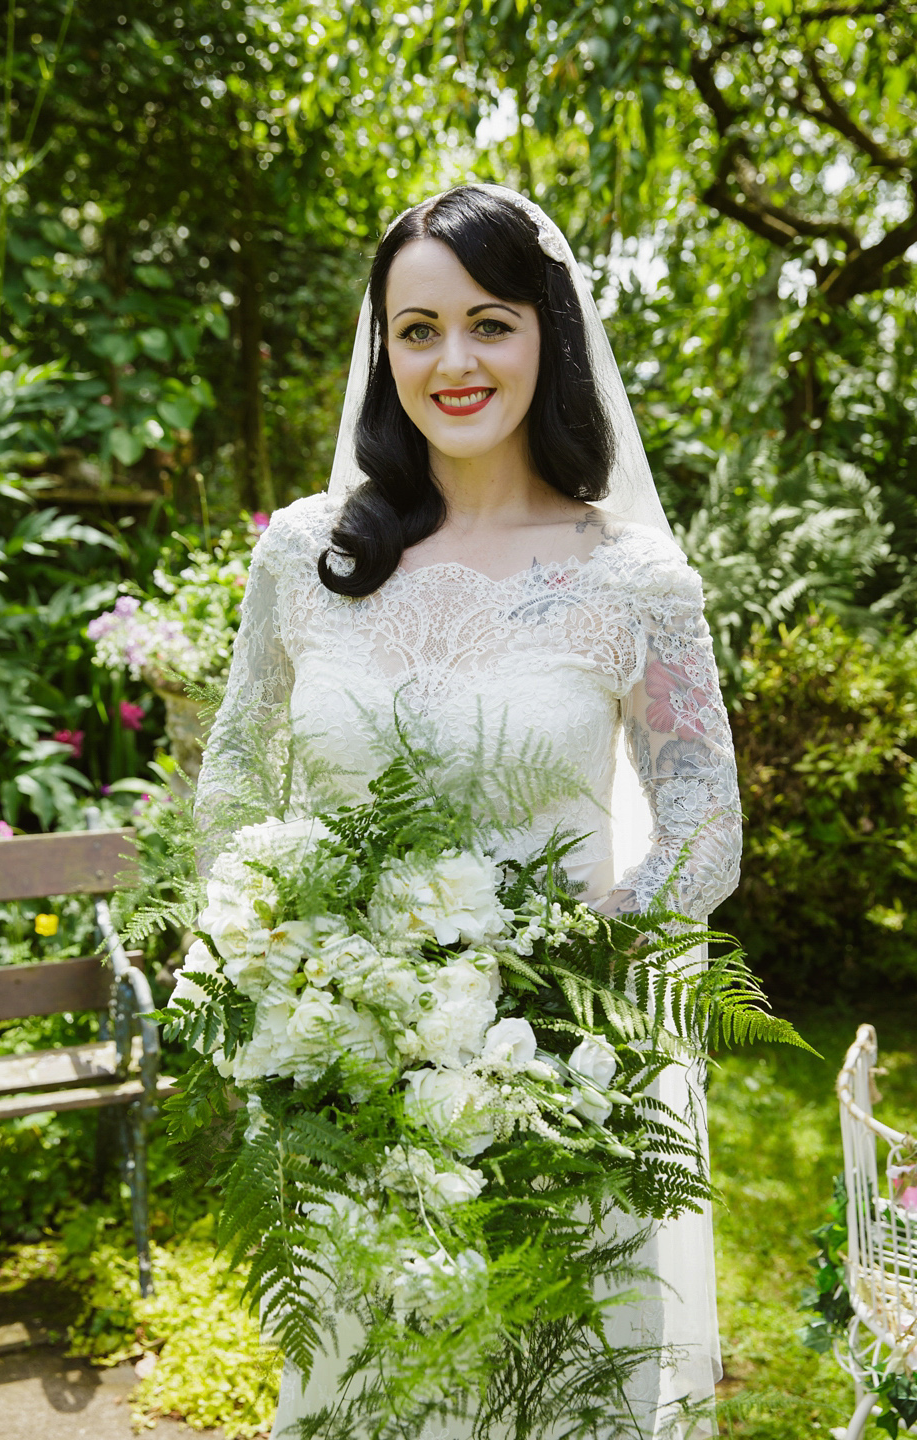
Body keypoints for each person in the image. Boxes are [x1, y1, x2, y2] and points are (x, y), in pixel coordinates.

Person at [195, 184, 742, 1440]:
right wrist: (268, 969)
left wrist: (594, 964)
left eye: (488, 322)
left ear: (547, 333)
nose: (453, 361)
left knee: (556, 1396)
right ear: (381, 352)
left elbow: (703, 803)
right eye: (417, 328)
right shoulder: (305, 556)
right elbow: (232, 775)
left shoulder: (633, 578)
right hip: (352, 1110)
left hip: (559, 1106)